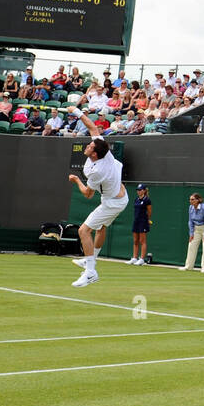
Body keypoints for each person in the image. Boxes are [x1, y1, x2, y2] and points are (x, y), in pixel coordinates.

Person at [65, 106, 129, 287]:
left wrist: (77, 180)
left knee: (83, 231)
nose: (88, 145)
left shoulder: (96, 172)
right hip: (119, 196)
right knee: (101, 227)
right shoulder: (104, 152)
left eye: (90, 146)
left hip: (112, 202)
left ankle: (91, 272)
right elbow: (93, 128)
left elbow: (87, 194)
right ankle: (91, 259)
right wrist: (76, 112)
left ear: (94, 153)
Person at [180, 192, 204, 273]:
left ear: (198, 200)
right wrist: (191, 233)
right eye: (190, 199)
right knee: (191, 245)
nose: (190, 201)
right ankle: (189, 266)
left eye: (192, 199)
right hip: (197, 228)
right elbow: (190, 221)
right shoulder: (190, 207)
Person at [128, 183, 152, 265]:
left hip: (143, 222)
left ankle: (141, 259)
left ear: (144, 191)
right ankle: (134, 258)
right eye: (138, 190)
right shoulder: (136, 199)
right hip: (136, 221)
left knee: (142, 241)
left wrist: (147, 220)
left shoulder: (147, 200)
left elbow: (149, 211)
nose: (138, 191)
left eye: (140, 190)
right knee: (135, 240)